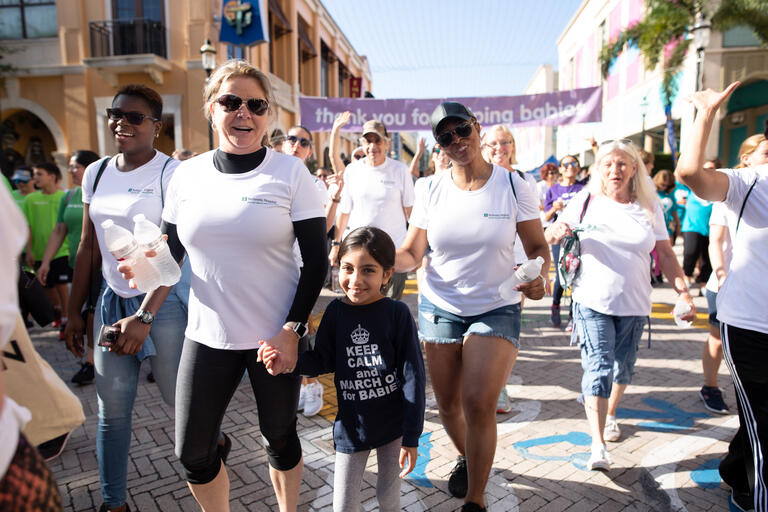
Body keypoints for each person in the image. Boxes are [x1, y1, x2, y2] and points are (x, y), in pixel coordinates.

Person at [120, 60, 327, 512]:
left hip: (274, 335)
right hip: (208, 334)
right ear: (211, 109)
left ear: (268, 114)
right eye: (231, 102)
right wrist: (142, 291)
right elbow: (170, 251)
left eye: (255, 105)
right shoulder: (186, 175)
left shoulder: (291, 174)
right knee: (192, 451)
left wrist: (293, 329)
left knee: (279, 436)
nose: (243, 113)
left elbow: (317, 261)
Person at [396, 102, 549, 512]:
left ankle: (476, 500)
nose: (457, 141)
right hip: (440, 304)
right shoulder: (429, 188)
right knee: (447, 405)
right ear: (438, 146)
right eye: (446, 137)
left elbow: (537, 247)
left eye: (462, 130)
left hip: (496, 303)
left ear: (477, 128)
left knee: (478, 402)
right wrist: (377, 260)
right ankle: (469, 455)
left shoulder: (514, 185)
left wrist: (537, 276)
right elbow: (412, 252)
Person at [64, 84, 188, 512]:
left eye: (135, 117)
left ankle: (216, 443)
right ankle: (113, 504)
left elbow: (174, 252)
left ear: (157, 126)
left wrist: (144, 318)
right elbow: (87, 247)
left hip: (163, 303)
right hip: (112, 303)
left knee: (178, 402)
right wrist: (75, 312)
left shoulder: (171, 175)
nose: (123, 123)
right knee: (112, 412)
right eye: (116, 114)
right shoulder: (96, 172)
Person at [545, 139, 694, 471]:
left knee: (622, 368)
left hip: (636, 303)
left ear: (634, 168)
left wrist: (683, 292)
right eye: (608, 164)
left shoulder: (650, 205)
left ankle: (610, 412)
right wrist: (555, 231)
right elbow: (552, 235)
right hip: (591, 300)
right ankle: (597, 445)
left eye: (622, 163)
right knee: (598, 369)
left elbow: (666, 255)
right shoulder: (586, 200)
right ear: (599, 168)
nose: (615, 169)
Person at [261, 226, 425, 512]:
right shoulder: (336, 312)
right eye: (348, 268)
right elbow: (322, 360)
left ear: (388, 274)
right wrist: (288, 363)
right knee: (344, 506)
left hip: (393, 426)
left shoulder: (397, 314)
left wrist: (411, 437)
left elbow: (413, 377)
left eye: (368, 270)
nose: (355, 280)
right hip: (352, 427)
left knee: (389, 499)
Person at [675, 82, 768, 512]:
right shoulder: (749, 182)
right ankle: (751, 492)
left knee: (756, 422)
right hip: (751, 323)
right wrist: (705, 113)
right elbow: (691, 174)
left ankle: (735, 469)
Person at [481, 123, 543, 414]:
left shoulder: (524, 180)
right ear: (483, 147)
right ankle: (479, 379)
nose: (499, 149)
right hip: (483, 263)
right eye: (493, 143)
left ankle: (500, 386)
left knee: (509, 327)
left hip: (517, 262)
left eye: (505, 142)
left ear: (513, 146)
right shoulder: (477, 177)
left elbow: (533, 225)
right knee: (480, 325)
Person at [281, 124, 335, 418]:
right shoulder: (272, 177)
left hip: (305, 267)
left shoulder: (316, 185)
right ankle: (302, 383)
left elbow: (323, 228)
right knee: (285, 329)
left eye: (303, 142)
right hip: (275, 267)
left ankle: (312, 383)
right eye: (292, 139)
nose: (296, 145)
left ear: (310, 151)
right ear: (283, 143)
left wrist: (336, 199)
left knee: (302, 327)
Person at [329, 119, 415, 301]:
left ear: (387, 143)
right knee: (358, 308)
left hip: (392, 256)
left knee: (389, 310)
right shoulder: (352, 171)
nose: (373, 146)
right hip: (358, 257)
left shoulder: (400, 170)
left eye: (378, 140)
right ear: (362, 143)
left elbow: (410, 213)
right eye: (368, 141)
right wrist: (336, 245)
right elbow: (344, 212)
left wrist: (414, 251)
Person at [38, 150, 100, 380]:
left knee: (91, 312)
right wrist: (45, 262)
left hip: (102, 267)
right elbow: (59, 231)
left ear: (91, 167)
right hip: (77, 266)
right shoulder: (69, 196)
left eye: (76, 166)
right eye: (71, 166)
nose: (71, 170)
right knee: (87, 313)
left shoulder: (104, 190)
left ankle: (90, 362)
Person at [23, 162, 70, 330]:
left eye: (39, 174)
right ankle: (57, 313)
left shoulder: (64, 196)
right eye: (34, 174)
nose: (35, 178)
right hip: (38, 253)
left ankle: (66, 319)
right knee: (46, 286)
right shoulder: (30, 199)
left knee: (61, 285)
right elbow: (27, 226)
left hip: (61, 252)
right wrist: (28, 250)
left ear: (52, 176)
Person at [544, 155, 585, 329]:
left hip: (580, 238)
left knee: (578, 275)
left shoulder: (584, 189)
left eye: (574, 163)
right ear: (560, 169)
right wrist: (555, 208)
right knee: (562, 275)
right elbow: (546, 218)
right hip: (559, 239)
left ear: (578, 168)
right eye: (566, 164)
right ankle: (555, 304)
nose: (570, 167)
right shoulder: (553, 190)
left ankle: (573, 316)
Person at [651, 170, 681, 282]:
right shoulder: (651, 193)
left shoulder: (670, 195)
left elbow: (674, 211)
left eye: (667, 185)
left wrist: (678, 225)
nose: (664, 187)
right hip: (652, 226)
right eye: (662, 184)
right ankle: (651, 272)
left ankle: (659, 272)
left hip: (667, 226)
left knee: (666, 250)